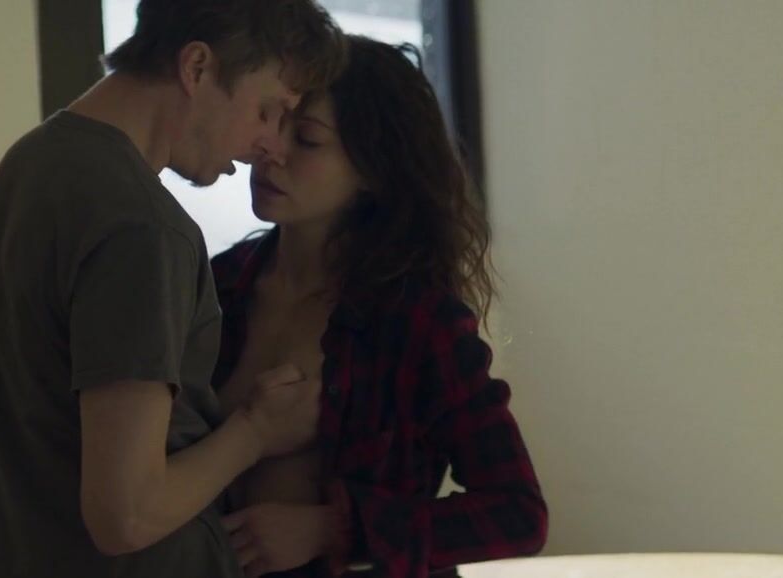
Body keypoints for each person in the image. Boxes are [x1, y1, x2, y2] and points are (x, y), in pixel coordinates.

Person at [0, 2, 345, 577]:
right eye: (268, 110)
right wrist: (256, 431)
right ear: (196, 67)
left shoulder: (27, 167)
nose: (269, 144)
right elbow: (127, 516)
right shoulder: (141, 226)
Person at [210, 36, 548, 578]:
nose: (271, 149)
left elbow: (518, 513)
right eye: (272, 121)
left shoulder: (415, 320)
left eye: (307, 139)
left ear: (371, 170)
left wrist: (333, 529)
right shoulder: (216, 286)